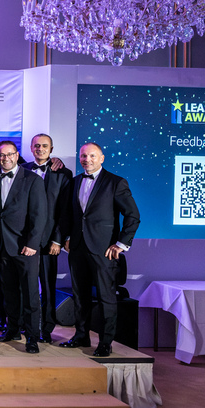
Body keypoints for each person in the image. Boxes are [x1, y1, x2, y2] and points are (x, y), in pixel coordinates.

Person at [60, 143, 140, 358]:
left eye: (92, 156)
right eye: (83, 156)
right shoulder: (75, 181)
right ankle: (81, 336)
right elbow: (70, 214)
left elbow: (133, 215)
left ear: (102, 158)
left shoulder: (116, 182)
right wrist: (67, 237)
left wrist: (121, 244)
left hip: (104, 250)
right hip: (78, 248)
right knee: (80, 296)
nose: (87, 159)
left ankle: (106, 342)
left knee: (106, 298)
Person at [0, 140, 46, 353]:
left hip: (25, 247)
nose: (5, 158)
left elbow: (39, 214)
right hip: (2, 246)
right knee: (9, 292)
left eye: (9, 154)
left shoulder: (33, 179)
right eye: (1, 155)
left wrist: (32, 243)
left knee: (31, 293)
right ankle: (12, 330)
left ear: (17, 156)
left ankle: (32, 337)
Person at [23, 133, 73, 343]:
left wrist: (58, 240)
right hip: (25, 240)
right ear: (31, 148)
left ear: (51, 149)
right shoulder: (22, 169)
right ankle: (27, 326)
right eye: (37, 145)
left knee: (48, 287)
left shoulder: (63, 173)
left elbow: (65, 210)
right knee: (26, 286)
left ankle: (47, 329)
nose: (40, 149)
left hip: (49, 241)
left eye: (45, 146)